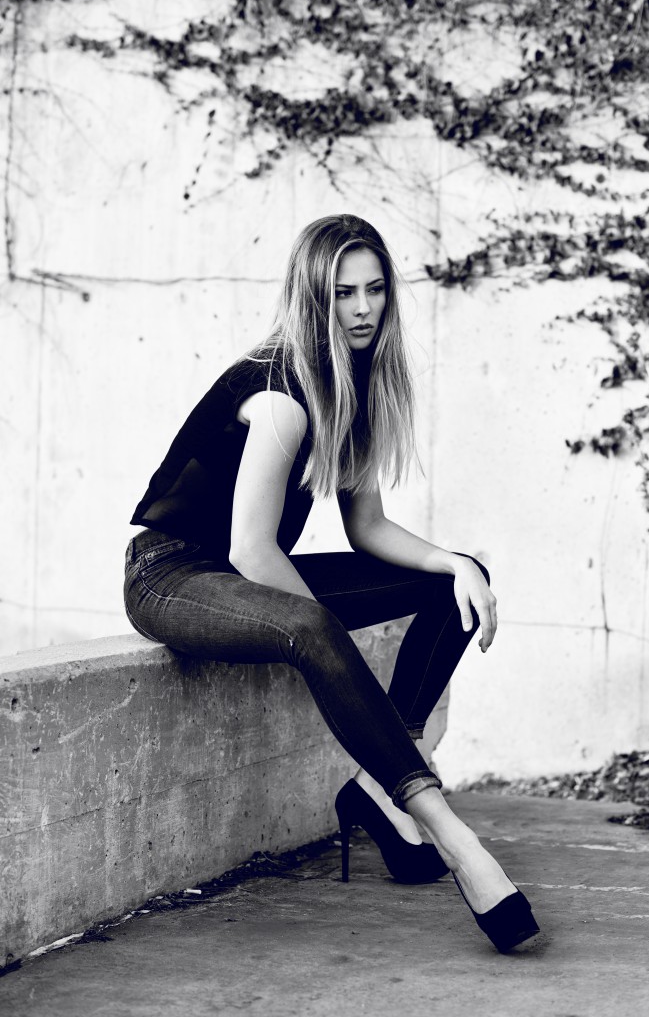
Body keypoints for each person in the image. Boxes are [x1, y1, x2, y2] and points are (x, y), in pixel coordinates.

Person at [124, 214, 539, 952]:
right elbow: (253, 553)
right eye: (342, 292)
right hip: (171, 576)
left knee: (453, 582)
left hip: (231, 576)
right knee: (311, 626)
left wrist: (455, 562)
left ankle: (382, 782)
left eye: (375, 289)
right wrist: (323, 644)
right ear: (311, 297)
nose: (362, 308)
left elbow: (368, 528)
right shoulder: (279, 392)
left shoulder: (351, 386)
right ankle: (450, 834)